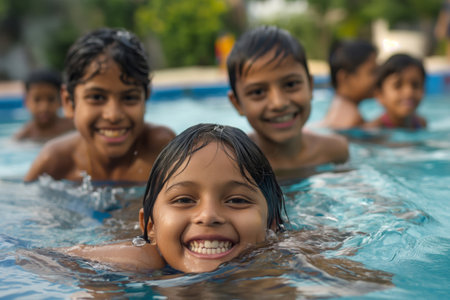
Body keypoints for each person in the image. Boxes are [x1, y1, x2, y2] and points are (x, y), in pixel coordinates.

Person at [63, 124, 286, 273]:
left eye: (237, 200)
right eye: (184, 200)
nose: (208, 216)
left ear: (272, 224)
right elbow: (45, 259)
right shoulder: (134, 264)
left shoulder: (290, 262)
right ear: (150, 227)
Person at [24, 28, 175, 182]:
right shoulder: (54, 161)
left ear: (145, 99)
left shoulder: (160, 150)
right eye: (97, 97)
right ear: (69, 102)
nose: (113, 115)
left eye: (129, 97)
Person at [226, 26, 348, 178]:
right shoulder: (233, 164)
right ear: (237, 103)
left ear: (310, 86)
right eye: (258, 92)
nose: (278, 103)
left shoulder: (335, 151)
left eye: (291, 85)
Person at [319, 40, 377, 129]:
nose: (377, 78)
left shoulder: (337, 110)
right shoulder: (353, 119)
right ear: (345, 77)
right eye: (372, 72)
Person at [364, 54, 427, 130]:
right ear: (379, 95)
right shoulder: (373, 130)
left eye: (415, 85)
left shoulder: (421, 124)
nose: (409, 92)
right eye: (398, 85)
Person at [14, 69, 74, 142]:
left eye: (51, 99)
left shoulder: (72, 127)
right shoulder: (24, 135)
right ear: (26, 101)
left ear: (61, 100)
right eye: (37, 99)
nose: (44, 107)